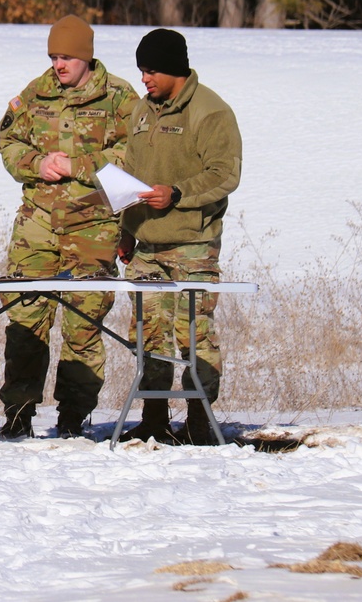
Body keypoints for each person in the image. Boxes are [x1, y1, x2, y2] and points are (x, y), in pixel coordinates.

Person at [0, 15, 139, 439]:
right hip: (37, 223)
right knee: (25, 319)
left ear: (86, 57)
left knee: (84, 323)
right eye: (54, 56)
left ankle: (74, 416)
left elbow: (134, 153)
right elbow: (7, 140)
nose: (59, 65)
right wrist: (36, 163)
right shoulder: (35, 93)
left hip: (93, 224)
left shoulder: (119, 97)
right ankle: (18, 414)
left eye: (67, 57)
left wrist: (79, 166)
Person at [117, 28, 242, 446]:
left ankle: (199, 420)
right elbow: (131, 177)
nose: (144, 79)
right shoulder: (140, 110)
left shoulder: (210, 111)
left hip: (193, 245)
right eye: (141, 71)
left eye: (151, 70)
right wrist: (125, 230)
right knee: (146, 334)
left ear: (173, 68)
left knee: (195, 335)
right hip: (146, 247)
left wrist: (179, 193)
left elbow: (224, 174)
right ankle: (153, 418)